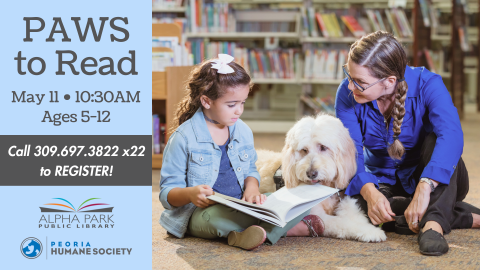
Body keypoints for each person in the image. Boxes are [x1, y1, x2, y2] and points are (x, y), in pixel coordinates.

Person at [335, 31, 480, 256]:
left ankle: (433, 226)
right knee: (355, 210)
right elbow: (349, 150)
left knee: (435, 141)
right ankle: (451, 213)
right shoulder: (347, 93)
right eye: (349, 76)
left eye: (360, 82)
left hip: (436, 178)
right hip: (382, 180)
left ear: (389, 81)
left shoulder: (428, 84)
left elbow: (451, 135)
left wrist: (425, 185)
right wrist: (370, 192)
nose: (351, 87)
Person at [159, 54, 324, 250]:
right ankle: (282, 231)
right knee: (215, 221)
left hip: (241, 205)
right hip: (200, 213)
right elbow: (166, 194)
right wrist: (190, 194)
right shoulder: (183, 137)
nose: (239, 111)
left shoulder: (242, 130)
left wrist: (252, 188)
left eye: (243, 103)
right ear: (206, 101)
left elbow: (250, 170)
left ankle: (247, 235)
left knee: (295, 200)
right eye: (231, 105)